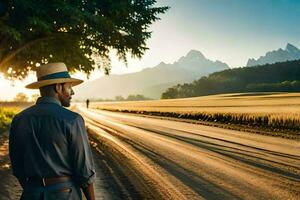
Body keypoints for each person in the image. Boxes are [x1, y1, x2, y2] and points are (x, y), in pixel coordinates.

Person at [9, 63, 96, 200]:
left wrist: (34, 189)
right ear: (58, 87)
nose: (72, 92)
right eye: (69, 87)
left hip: (31, 194)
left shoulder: (19, 119)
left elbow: (17, 167)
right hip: (65, 194)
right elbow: (84, 171)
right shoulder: (72, 120)